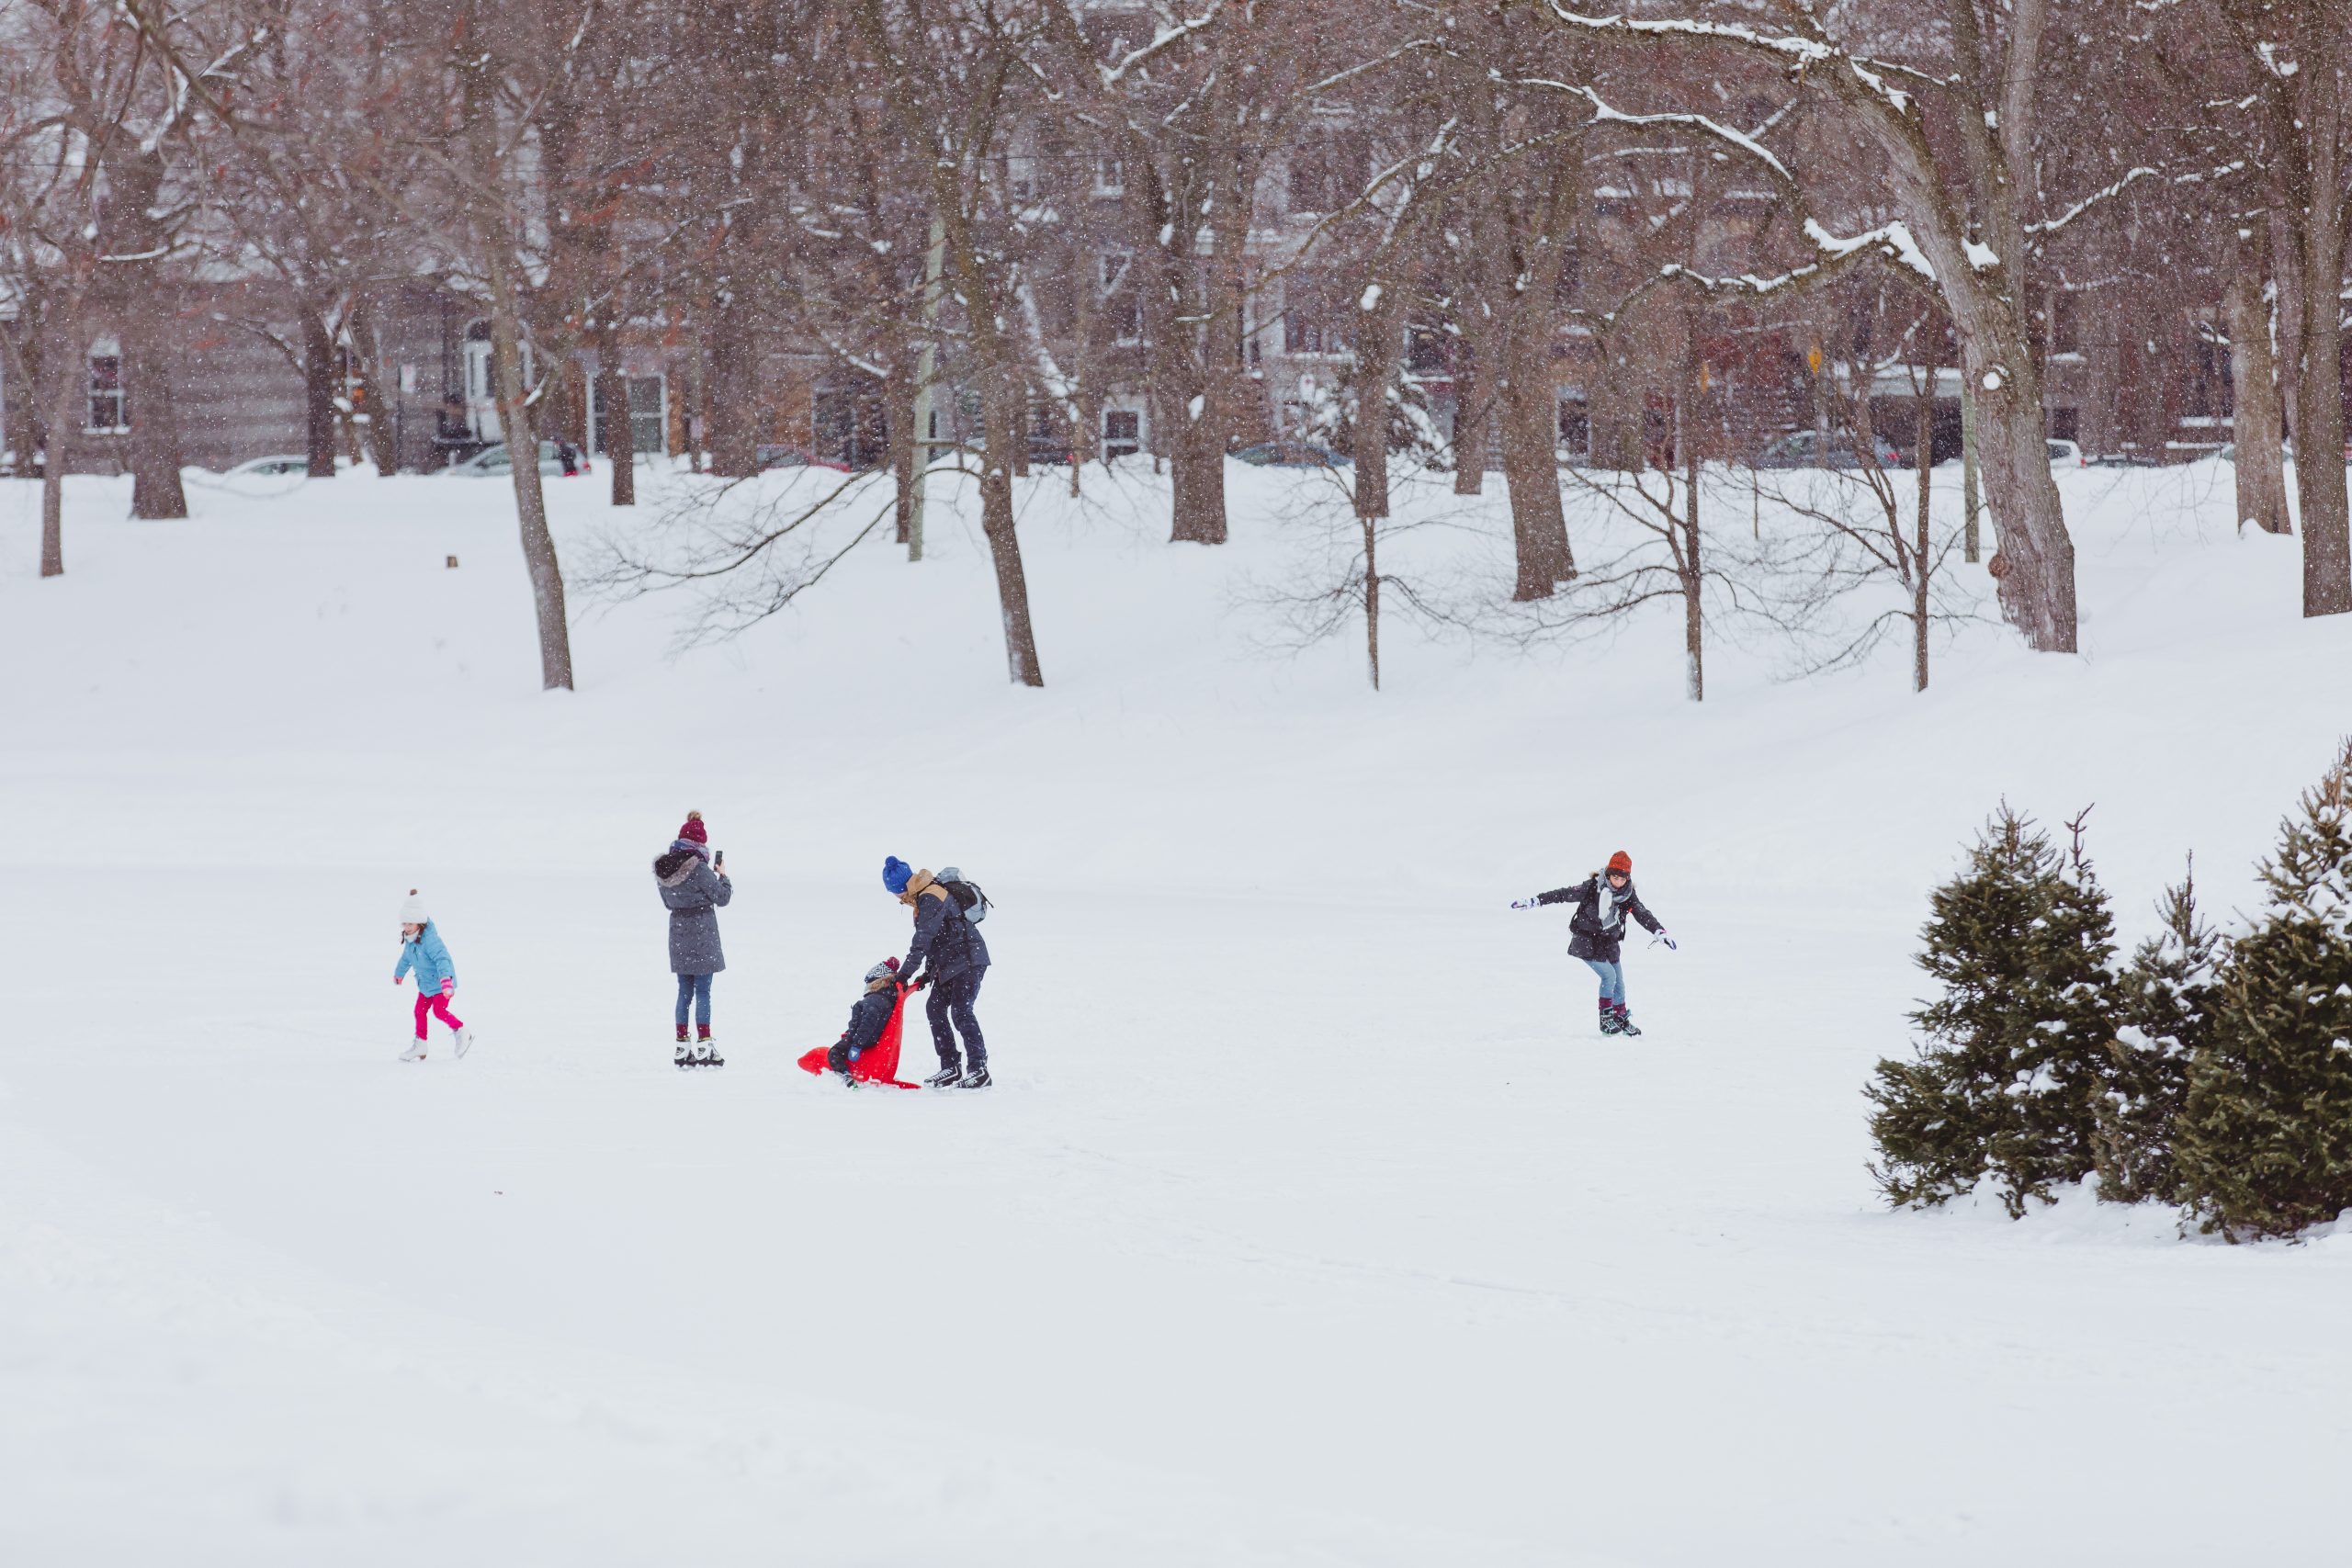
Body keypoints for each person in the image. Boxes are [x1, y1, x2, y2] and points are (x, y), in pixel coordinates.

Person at [1511, 850, 1675, 1037]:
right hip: (1586, 940)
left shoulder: (1627, 894)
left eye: (1623, 879)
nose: (1618, 883)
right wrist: (1535, 901)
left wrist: (1659, 931)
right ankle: (1606, 1019)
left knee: (1619, 983)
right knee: (1609, 976)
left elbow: (1641, 912)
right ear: (1608, 874)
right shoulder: (1592, 887)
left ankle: (1619, 1018)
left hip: (1609, 943)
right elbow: (1562, 894)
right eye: (1615, 877)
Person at [883, 854, 991, 1089]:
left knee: (961, 1012)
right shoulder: (923, 897)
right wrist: (927, 973)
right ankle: (950, 1067)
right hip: (950, 963)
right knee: (935, 1008)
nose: (897, 899)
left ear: (901, 888)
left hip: (969, 959)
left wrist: (904, 975)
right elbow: (938, 939)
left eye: (895, 893)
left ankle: (979, 1069)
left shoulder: (930, 897)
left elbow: (923, 939)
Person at [654, 811, 732, 1069]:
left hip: (678, 934)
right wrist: (723, 875)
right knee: (704, 991)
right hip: (703, 934)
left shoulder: (665, 869)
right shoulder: (698, 868)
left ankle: (681, 1047)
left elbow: (668, 902)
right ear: (699, 845)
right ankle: (704, 1045)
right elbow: (722, 898)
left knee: (684, 992)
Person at [393, 889, 472, 1061]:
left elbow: (442, 959)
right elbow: (406, 958)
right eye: (404, 924)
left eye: (410, 924)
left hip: (442, 984)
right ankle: (421, 1045)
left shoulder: (430, 940)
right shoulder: (410, 939)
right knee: (419, 1011)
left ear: (420, 923)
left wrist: (445, 980)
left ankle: (461, 1031)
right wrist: (399, 973)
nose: (406, 928)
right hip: (426, 985)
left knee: (439, 1010)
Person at [826, 958, 909, 1084]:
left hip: (863, 1038)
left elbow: (868, 1023)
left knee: (834, 1052)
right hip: (867, 1036)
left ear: (875, 982)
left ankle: (845, 1075)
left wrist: (857, 1044)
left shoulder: (874, 1000)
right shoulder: (886, 997)